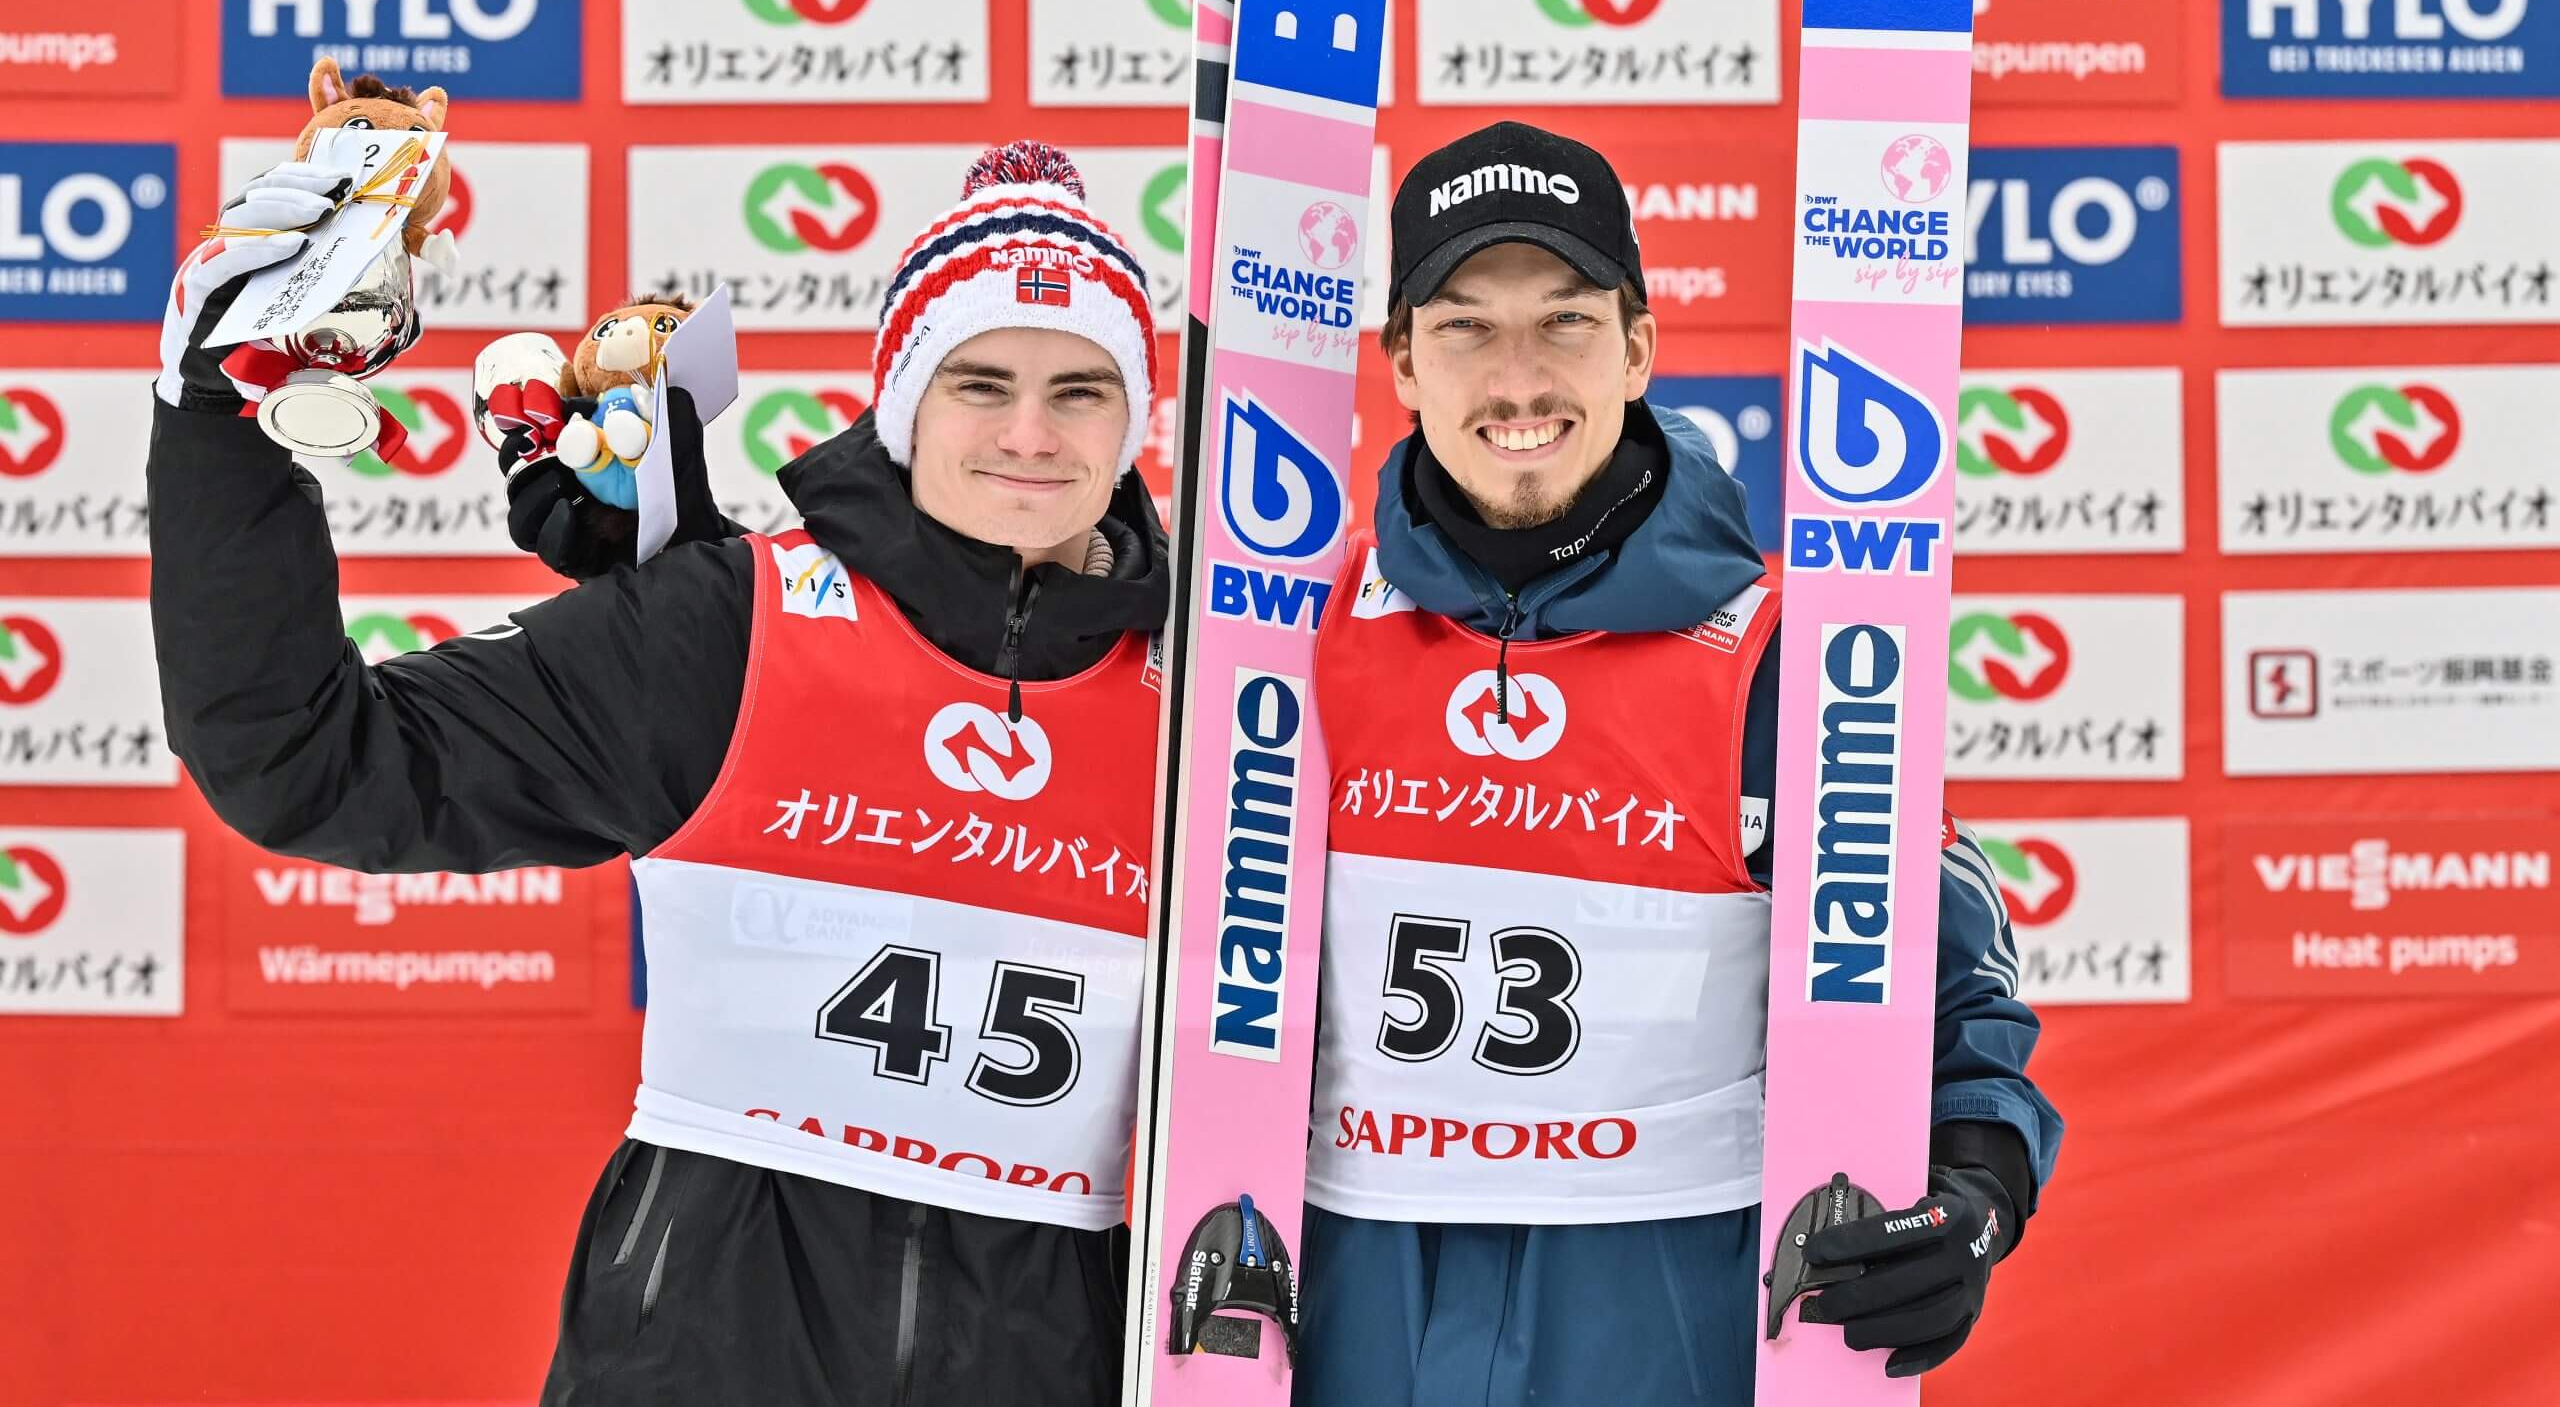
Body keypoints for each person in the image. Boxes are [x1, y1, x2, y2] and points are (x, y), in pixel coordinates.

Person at [148, 140, 1168, 1406]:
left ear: (1134, 418)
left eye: (1080, 389)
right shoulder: (730, 631)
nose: (1028, 433)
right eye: (981, 382)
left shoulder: (1214, 709)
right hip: (703, 1354)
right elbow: (306, 762)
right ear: (906, 398)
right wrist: (217, 426)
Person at [1289, 121, 2063, 1406]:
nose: (1518, 379)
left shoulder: (1780, 658)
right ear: (1405, 364)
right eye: (1466, 327)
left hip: (1662, 1332)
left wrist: (1976, 1184)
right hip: (1356, 1329)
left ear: (1638, 349)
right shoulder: (1297, 636)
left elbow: (1948, 987)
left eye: (1566, 322)